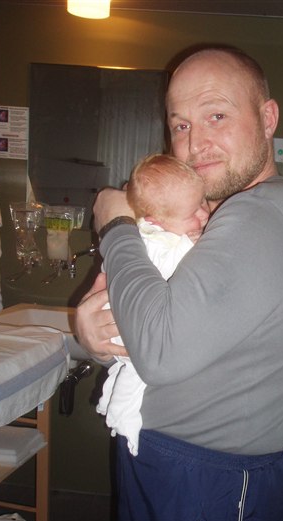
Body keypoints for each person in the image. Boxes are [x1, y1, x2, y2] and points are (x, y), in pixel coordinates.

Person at [76, 46, 283, 521]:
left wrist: (116, 225)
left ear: (267, 118)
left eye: (217, 115)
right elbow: (148, 330)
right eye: (181, 125)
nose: (196, 143)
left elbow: (161, 350)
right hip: (172, 468)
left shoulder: (266, 214)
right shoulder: (211, 222)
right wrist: (95, 331)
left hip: (209, 482)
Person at [97, 153, 209, 457]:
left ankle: (111, 404)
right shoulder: (161, 244)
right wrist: (196, 243)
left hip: (131, 322)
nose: (203, 215)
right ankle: (123, 422)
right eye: (193, 213)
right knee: (136, 376)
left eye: (202, 203)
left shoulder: (150, 231)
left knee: (128, 373)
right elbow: (181, 265)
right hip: (132, 329)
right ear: (154, 220)